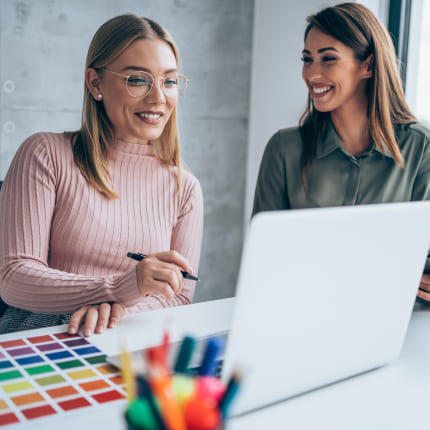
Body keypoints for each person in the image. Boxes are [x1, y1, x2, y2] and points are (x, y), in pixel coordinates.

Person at [0, 14, 204, 336]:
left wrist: (115, 309)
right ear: (95, 83)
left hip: (130, 336)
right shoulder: (45, 154)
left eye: (169, 81)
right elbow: (14, 277)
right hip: (40, 333)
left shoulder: (185, 188)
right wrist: (117, 288)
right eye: (138, 80)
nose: (158, 98)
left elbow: (178, 297)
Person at [252, 3, 430, 300]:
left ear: (369, 66)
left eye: (328, 59)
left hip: (400, 325)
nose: (312, 74)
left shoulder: (421, 148)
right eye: (307, 59)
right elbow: (264, 260)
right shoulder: (283, 150)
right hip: (306, 316)